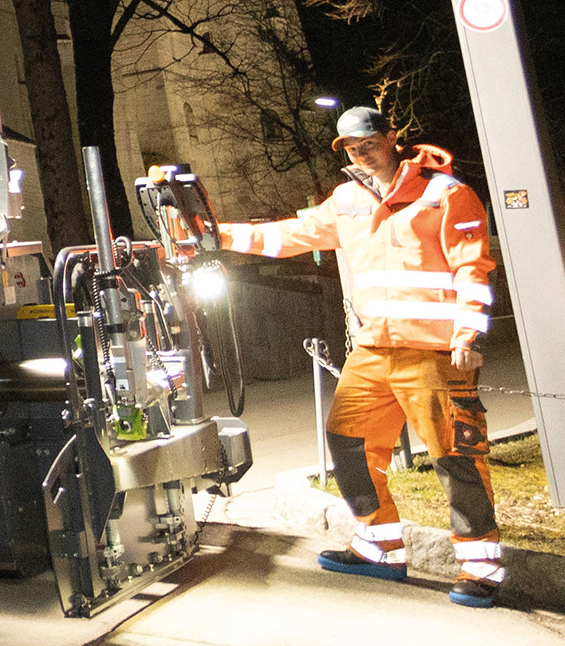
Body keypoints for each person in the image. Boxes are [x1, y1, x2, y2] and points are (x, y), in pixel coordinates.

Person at [215, 105, 509, 606]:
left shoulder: (445, 194)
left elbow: (471, 268)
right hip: (373, 350)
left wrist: (467, 336)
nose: (359, 150)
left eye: (367, 140)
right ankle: (380, 548)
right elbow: (286, 235)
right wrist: (214, 234)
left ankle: (481, 567)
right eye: (350, 146)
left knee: (455, 457)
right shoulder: (346, 200)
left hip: (435, 352)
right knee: (348, 443)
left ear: (391, 137)